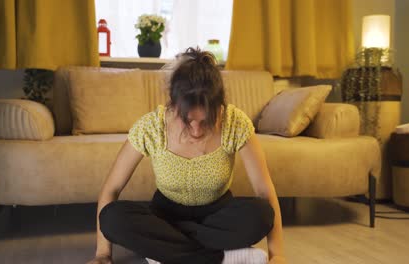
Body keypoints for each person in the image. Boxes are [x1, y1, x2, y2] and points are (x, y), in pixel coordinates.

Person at [86, 47, 287, 264]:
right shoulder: (151, 126)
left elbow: (264, 191)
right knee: (112, 218)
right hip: (166, 215)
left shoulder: (235, 123)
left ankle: (165, 254)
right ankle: (222, 257)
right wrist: (102, 255)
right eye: (188, 120)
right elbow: (111, 189)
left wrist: (278, 256)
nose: (197, 130)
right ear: (173, 105)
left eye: (206, 121)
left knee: (261, 214)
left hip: (216, 216)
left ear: (220, 107)